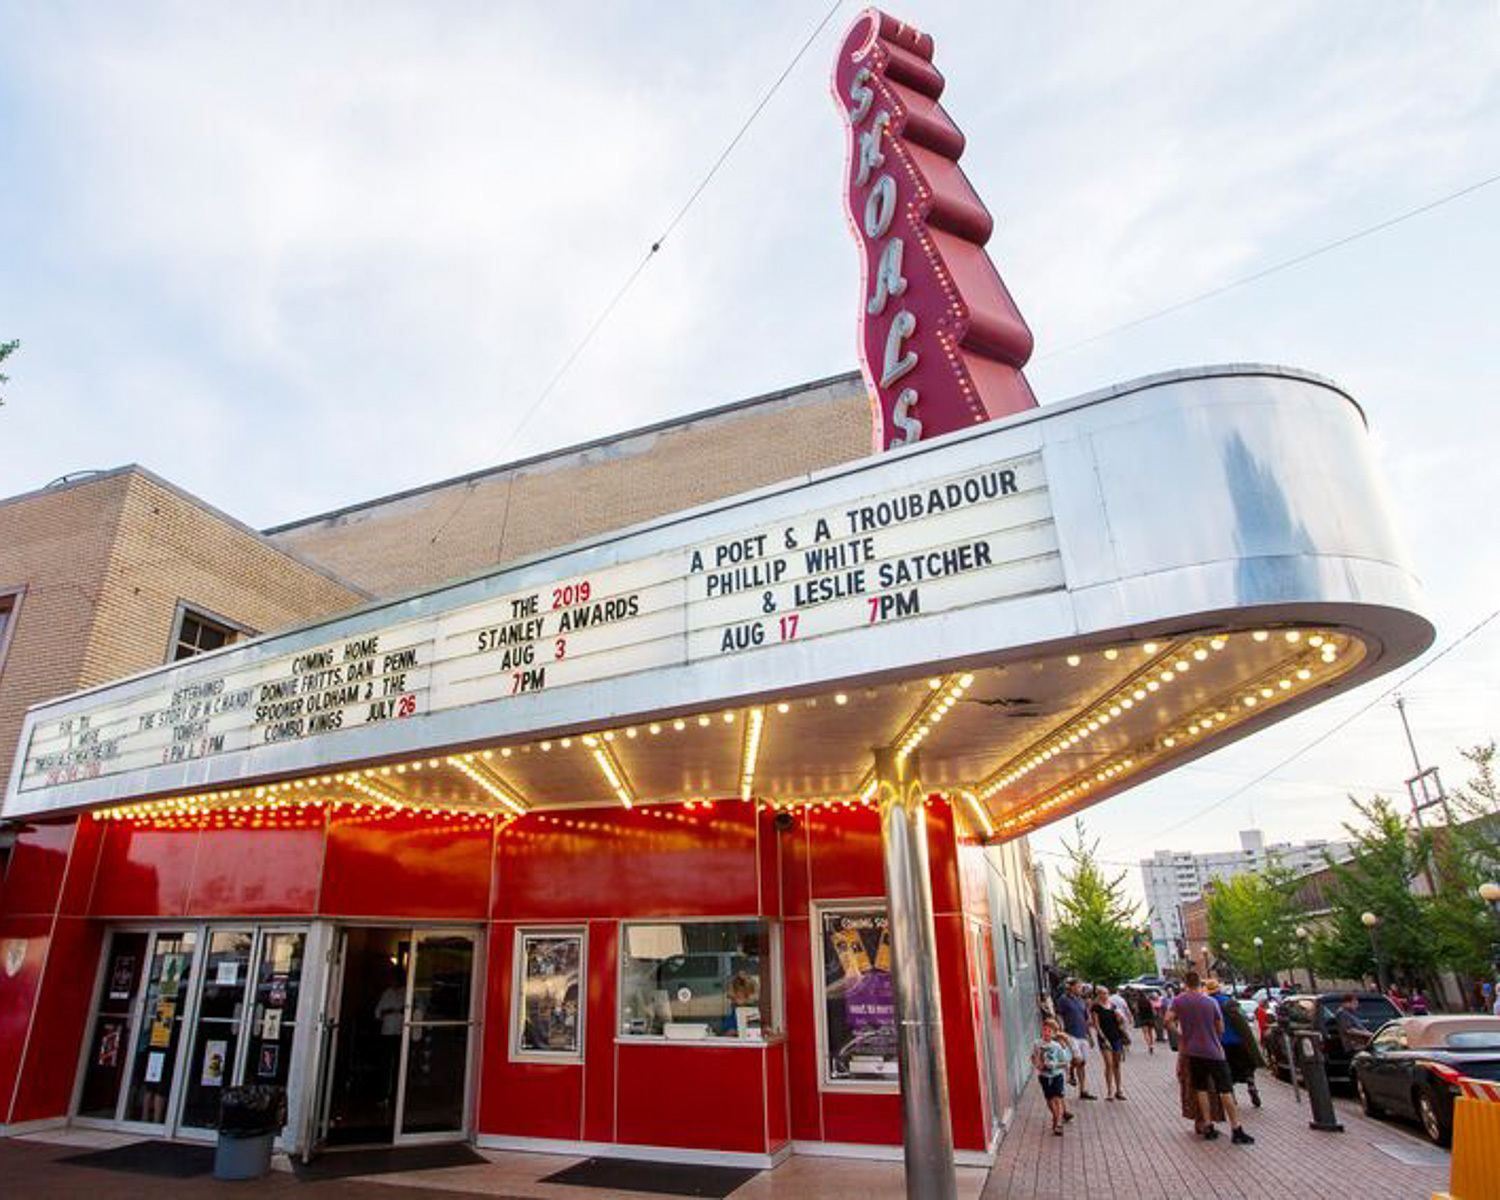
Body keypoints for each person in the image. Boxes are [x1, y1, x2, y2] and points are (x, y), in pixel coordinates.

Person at [1166, 970, 1254, 1144]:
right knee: (1225, 1089)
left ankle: (1208, 1125)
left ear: (1185, 983)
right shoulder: (1211, 1002)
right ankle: (1236, 1128)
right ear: (1200, 983)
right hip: (1213, 1050)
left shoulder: (1178, 1001)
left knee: (1201, 1088)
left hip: (1192, 1051)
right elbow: (1220, 1028)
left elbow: (1168, 1020)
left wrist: (1181, 1034)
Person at [1207, 978, 1264, 1107]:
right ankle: (1251, 1084)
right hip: (1238, 1041)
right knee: (1247, 1065)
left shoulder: (1209, 1004)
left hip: (1221, 1042)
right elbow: (1242, 1020)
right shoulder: (1229, 1002)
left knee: (1227, 1069)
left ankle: (1231, 1095)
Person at [1032, 1018, 1074, 1136]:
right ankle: (1056, 1116)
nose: (1046, 1033)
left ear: (1054, 1033)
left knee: (1058, 1098)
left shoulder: (1057, 1046)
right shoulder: (1037, 1044)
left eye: (1049, 1031)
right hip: (1044, 1076)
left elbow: (1065, 1062)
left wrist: (1065, 1073)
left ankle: (1059, 1123)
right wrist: (1037, 1064)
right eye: (1045, 1030)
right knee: (1049, 1100)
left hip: (1056, 1075)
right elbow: (1033, 1057)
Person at [1056, 979, 1097, 1099]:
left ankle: (1083, 1090)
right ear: (1071, 987)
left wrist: (1090, 1036)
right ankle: (1071, 1071)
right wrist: (1061, 1028)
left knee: (1083, 1063)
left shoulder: (1081, 1001)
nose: (1080, 989)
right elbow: (1058, 1014)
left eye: (1081, 987)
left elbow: (1086, 1019)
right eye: (1078, 986)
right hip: (1070, 1034)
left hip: (1082, 1034)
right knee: (1078, 1059)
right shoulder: (1063, 999)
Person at [1090, 985, 1130, 1100]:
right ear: (1098, 995)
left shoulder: (1113, 1006)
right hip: (1104, 1038)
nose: (1105, 995)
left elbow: (1120, 1023)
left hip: (1116, 1037)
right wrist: (1103, 1037)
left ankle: (1119, 1090)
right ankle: (1109, 1092)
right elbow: (1096, 1025)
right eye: (1102, 993)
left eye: (1106, 993)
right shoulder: (1096, 1008)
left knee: (1117, 1065)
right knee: (1109, 1064)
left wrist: (1120, 1018)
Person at [1131, 988, 1157, 1053]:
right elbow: (1154, 1011)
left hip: (1143, 1018)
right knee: (1151, 1033)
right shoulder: (1149, 1001)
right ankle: (1152, 1045)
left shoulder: (1138, 1002)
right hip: (1150, 1018)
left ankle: (1149, 1045)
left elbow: (1136, 1011)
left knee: (1145, 1033)